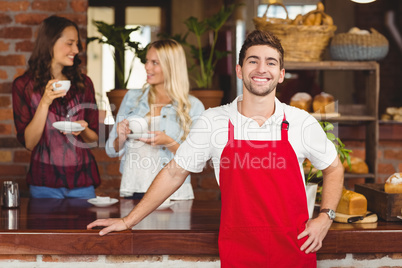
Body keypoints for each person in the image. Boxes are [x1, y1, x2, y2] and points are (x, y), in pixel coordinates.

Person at [87, 30, 344, 267]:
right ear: (240, 70)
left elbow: (333, 168)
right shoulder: (214, 121)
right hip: (239, 252)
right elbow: (175, 173)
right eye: (253, 61)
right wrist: (128, 220)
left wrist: (325, 217)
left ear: (281, 73)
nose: (261, 68)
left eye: (271, 62)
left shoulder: (300, 121)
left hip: (294, 249)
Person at [12, 15, 100, 199]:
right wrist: (44, 102)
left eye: (77, 44)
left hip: (82, 183)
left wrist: (83, 129)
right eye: (70, 43)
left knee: (85, 228)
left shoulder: (85, 84)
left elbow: (94, 140)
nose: (76, 49)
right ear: (50, 43)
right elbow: (29, 143)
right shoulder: (24, 86)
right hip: (44, 183)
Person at [105, 39, 204, 200]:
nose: (147, 67)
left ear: (171, 67)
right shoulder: (131, 98)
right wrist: (121, 137)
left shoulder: (193, 106)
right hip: (134, 190)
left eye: (154, 62)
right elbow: (111, 149)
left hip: (173, 193)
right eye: (147, 61)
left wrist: (168, 142)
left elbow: (197, 160)